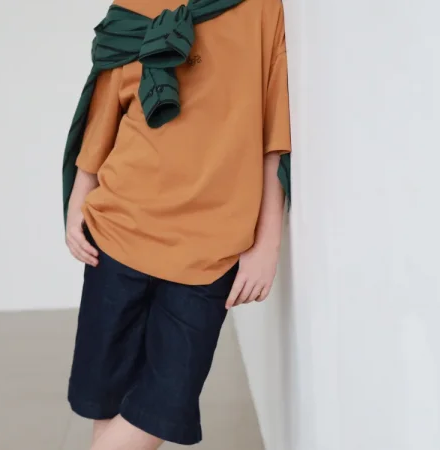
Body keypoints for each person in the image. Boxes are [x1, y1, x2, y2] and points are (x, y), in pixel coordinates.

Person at [63, 0, 291, 448]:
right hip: (118, 228)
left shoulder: (263, 9)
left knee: (162, 409)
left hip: (211, 248)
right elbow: (106, 106)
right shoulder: (134, 4)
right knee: (108, 399)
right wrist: (79, 197)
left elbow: (275, 135)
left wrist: (267, 245)